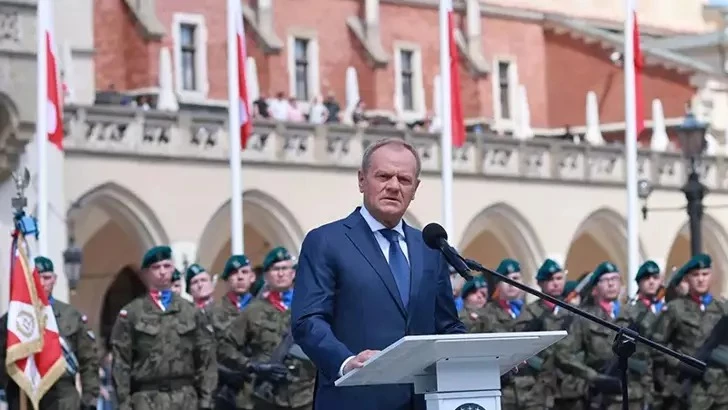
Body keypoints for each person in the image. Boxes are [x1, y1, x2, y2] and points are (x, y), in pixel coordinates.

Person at [291, 138, 465, 410]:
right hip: (355, 397)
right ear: (362, 180)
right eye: (383, 176)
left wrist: (491, 356)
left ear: (415, 188)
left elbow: (446, 325)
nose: (394, 186)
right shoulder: (326, 241)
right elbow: (308, 321)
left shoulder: (428, 247)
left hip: (422, 401)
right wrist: (346, 362)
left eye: (404, 180)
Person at [110, 245, 217, 410]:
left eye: (167, 266)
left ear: (173, 268)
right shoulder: (131, 313)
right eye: (156, 267)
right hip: (146, 399)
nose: (162, 272)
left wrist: (206, 400)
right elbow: (121, 363)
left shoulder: (191, 312)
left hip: (185, 399)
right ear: (145, 273)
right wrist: (124, 404)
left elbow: (206, 360)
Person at [219, 246, 315, 410]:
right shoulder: (253, 311)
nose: (280, 273)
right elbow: (224, 347)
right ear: (265, 276)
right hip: (267, 398)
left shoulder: (310, 307)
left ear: (293, 273)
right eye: (275, 269)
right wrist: (253, 366)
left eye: (285, 268)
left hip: (306, 396)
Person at [0, 256, 100, 410]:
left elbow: (88, 360)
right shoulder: (12, 319)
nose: (41, 283)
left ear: (54, 279)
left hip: (63, 396)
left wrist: (89, 398)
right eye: (36, 278)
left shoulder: (71, 315)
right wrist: (10, 390)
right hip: (24, 396)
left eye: (46, 278)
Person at [651, 254, 728, 410]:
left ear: (711, 276)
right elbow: (656, 346)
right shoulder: (675, 309)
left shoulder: (723, 310)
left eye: (705, 274)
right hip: (688, 392)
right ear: (687, 279)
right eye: (695, 275)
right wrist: (680, 363)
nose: (701, 279)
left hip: (722, 392)